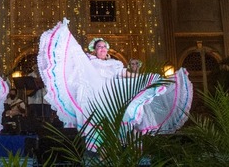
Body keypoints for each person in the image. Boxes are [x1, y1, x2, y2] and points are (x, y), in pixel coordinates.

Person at [37, 19, 192, 149]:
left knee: (123, 123)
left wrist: (144, 78)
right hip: (96, 98)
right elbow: (76, 58)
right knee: (101, 130)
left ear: (107, 50)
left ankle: (129, 151)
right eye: (99, 47)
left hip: (113, 99)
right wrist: (66, 35)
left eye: (104, 47)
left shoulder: (115, 64)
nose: (102, 49)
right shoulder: (90, 61)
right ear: (94, 50)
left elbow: (126, 74)